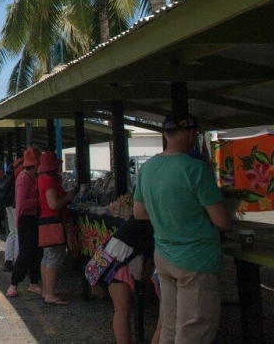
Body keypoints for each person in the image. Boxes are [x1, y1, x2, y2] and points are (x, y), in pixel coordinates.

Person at [134, 111, 229, 343]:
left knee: (169, 327)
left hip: (164, 257)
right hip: (196, 261)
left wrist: (168, 217)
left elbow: (138, 212)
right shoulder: (196, 169)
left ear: (166, 134)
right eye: (194, 134)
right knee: (194, 329)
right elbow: (222, 221)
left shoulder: (147, 168)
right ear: (188, 134)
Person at [86, 216, 161, 344]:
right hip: (118, 261)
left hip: (116, 259)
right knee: (122, 309)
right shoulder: (153, 221)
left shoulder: (143, 216)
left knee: (122, 309)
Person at [6, 147, 43, 298]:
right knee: (26, 253)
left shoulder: (33, 176)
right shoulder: (24, 178)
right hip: (26, 219)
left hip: (33, 218)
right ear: (35, 163)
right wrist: (41, 200)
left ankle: (34, 283)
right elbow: (22, 202)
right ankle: (13, 285)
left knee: (36, 252)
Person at [37, 150, 72, 306]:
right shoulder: (49, 182)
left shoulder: (41, 179)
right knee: (54, 259)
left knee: (47, 258)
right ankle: (50, 294)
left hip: (45, 222)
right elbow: (54, 204)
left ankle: (46, 291)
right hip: (54, 223)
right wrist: (68, 197)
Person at [3, 157, 24, 272]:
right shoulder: (22, 167)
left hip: (8, 203)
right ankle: (17, 261)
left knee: (12, 232)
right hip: (16, 203)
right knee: (17, 233)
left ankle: (8, 260)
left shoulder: (12, 165)